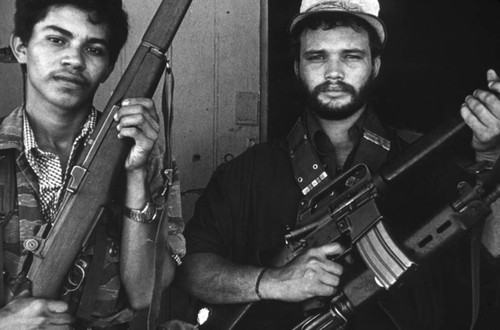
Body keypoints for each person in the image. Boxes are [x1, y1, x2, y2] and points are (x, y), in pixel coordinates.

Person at [176, 0, 500, 329]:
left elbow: (488, 256)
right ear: (296, 67)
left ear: (375, 65)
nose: (334, 72)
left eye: (351, 56)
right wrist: (273, 281)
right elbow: (191, 270)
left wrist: (493, 159)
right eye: (317, 57)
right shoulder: (245, 173)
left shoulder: (425, 159)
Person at [0, 0, 184, 328]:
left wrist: (136, 173)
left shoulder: (143, 154)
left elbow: (145, 292)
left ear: (110, 67)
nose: (74, 59)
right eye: (56, 40)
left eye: (94, 49)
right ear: (21, 48)